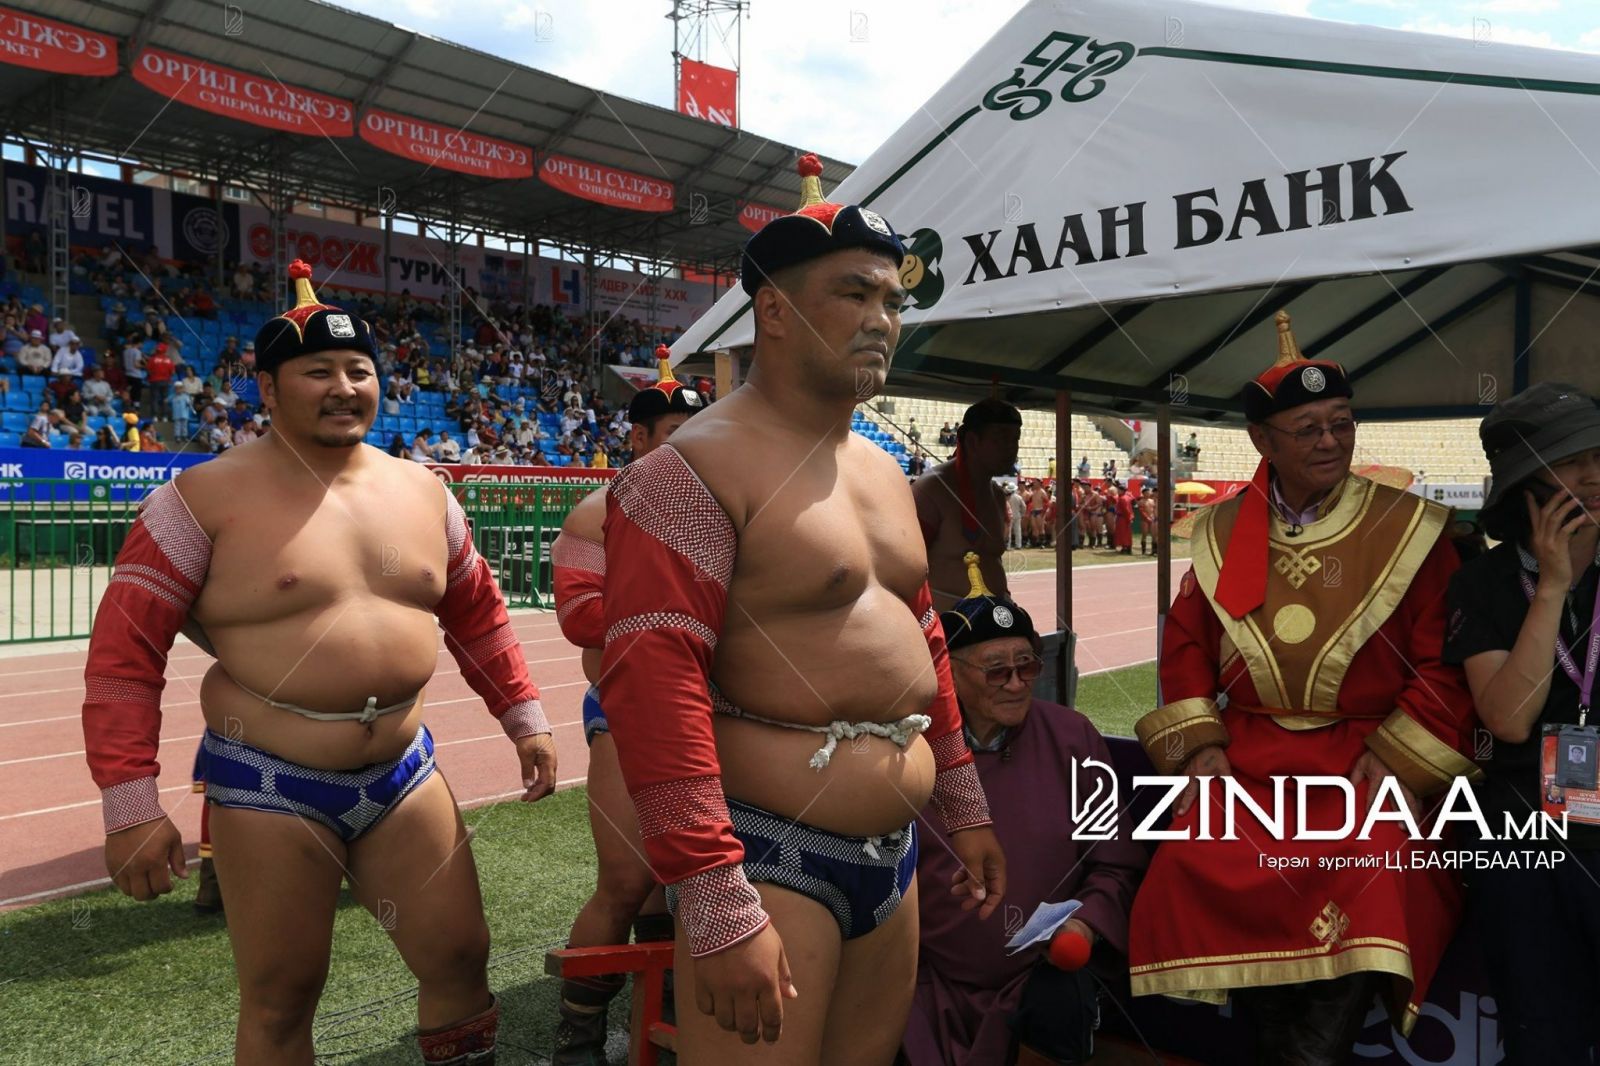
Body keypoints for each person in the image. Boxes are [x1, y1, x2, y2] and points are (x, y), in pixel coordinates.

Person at [80, 260, 557, 1064]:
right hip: (268, 782)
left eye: (359, 370)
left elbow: (478, 615)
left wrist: (525, 716)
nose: (344, 387)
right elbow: (124, 658)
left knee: (459, 957)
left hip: (404, 773)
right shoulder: (196, 501)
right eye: (319, 371)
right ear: (268, 389)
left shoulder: (426, 491)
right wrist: (129, 804)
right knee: (282, 996)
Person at [598, 155, 1004, 1061]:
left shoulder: (886, 471)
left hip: (893, 853)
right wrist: (715, 895)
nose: (881, 319)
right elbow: (653, 686)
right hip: (765, 854)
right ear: (774, 312)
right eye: (854, 294)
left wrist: (965, 803)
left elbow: (923, 641)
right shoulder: (689, 470)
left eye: (892, 300)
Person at [1126, 311, 1481, 1064]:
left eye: (1342, 424)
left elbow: (1443, 665)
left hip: (1363, 760)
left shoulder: (1411, 528)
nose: (1330, 441)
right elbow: (1187, 647)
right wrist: (1199, 749)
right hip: (1249, 759)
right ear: (1263, 442)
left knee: (1376, 866)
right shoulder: (1220, 532)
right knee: (1196, 852)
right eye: (1309, 428)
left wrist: (1399, 758)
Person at [904, 555, 1146, 1066]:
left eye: (1027, 666)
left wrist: (1084, 925)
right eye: (997, 671)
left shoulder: (1073, 738)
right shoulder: (912, 752)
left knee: (1061, 1004)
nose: (1017, 683)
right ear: (949, 674)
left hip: (1042, 975)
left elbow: (1113, 864)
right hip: (927, 982)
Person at [548, 348, 702, 1063]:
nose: (691, 450)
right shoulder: (595, 515)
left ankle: (663, 1002)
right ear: (638, 438)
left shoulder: (722, 509)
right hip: (626, 710)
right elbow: (580, 619)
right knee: (626, 879)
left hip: (711, 710)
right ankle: (577, 1032)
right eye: (675, 435)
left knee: (689, 873)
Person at [1444, 383, 1600, 1064]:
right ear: (1525, 484)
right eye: (1570, 461)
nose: (1592, 474)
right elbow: (1508, 718)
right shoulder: (1482, 582)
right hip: (1523, 836)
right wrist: (1555, 586)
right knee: (1543, 1036)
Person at [914, 397, 1023, 610]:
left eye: (1015, 439)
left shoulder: (997, 495)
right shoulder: (932, 490)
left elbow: (992, 562)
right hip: (946, 622)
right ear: (973, 441)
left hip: (995, 616)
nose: (1011, 448)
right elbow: (904, 570)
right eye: (1001, 439)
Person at [1113, 482, 1134, 555]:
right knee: (1127, 533)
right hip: (1125, 517)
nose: (1118, 491)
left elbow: (1126, 510)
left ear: (1122, 490)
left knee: (1123, 533)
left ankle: (1125, 547)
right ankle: (1127, 547)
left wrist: (1128, 518)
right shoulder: (1127, 497)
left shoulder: (1122, 498)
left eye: (1119, 490)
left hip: (1123, 518)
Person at [1005, 483, 1025, 551]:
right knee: (1018, 531)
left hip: (1009, 515)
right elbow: (1024, 507)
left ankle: (1008, 545)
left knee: (1009, 531)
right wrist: (1022, 514)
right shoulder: (1019, 497)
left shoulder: (1007, 498)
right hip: (1017, 515)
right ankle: (1018, 545)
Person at [1138, 486, 1158, 556]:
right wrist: (1147, 518)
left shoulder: (1152, 501)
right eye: (1146, 493)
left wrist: (1154, 517)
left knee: (1154, 535)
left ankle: (1154, 551)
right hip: (1144, 520)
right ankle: (1143, 551)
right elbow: (1141, 511)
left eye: (1148, 493)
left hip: (1152, 519)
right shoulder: (1141, 501)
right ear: (1143, 493)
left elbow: (1154, 510)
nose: (1148, 494)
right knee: (1144, 534)